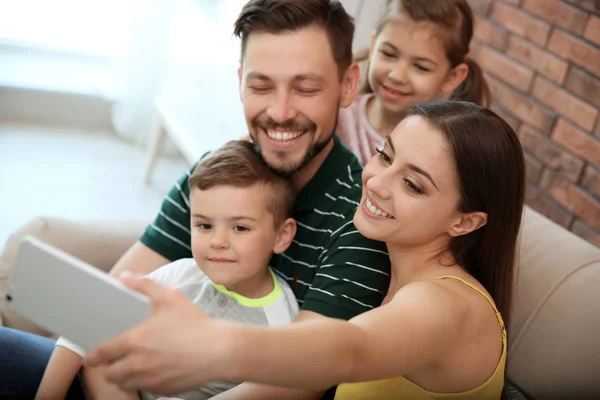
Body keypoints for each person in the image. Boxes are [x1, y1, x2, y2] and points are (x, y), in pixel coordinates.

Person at [0, 1, 391, 399]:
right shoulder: (219, 172)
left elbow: (299, 378)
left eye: (306, 88)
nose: (279, 111)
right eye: (260, 86)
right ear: (240, 82)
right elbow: (114, 298)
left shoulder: (361, 220)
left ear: (347, 85)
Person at [85, 101, 526, 400]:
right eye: (384, 156)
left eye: (412, 184)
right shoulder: (398, 277)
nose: (375, 182)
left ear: (465, 221)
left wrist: (215, 345)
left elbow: (350, 349)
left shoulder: (444, 303)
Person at [34, 140, 300, 400]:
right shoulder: (181, 274)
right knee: (100, 346)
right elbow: (92, 315)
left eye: (240, 228)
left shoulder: (280, 325)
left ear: (281, 236)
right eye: (204, 226)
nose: (217, 242)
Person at [337, 0, 491, 165]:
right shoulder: (337, 113)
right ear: (374, 46)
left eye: (421, 67)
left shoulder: (441, 156)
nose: (397, 75)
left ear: (451, 77)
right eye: (388, 54)